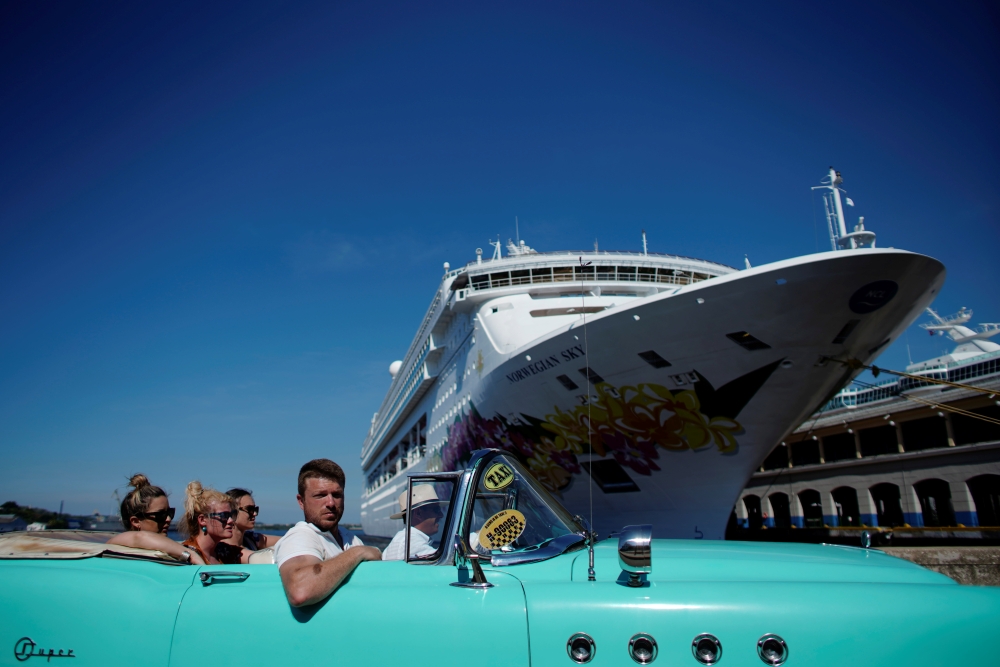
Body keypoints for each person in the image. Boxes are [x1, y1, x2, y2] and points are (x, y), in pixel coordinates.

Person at [274, 459, 381, 607]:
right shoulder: (300, 536)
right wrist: (358, 553)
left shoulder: (349, 538)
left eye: (337, 495)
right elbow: (300, 591)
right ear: (301, 501)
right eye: (320, 495)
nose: (331, 503)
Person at [106, 474, 206, 564]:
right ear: (136, 522)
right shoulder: (117, 545)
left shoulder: (165, 549)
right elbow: (139, 537)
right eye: (160, 515)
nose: (168, 519)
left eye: (169, 513)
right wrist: (190, 555)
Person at [179, 481, 243, 565]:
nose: (231, 520)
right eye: (224, 515)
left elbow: (255, 557)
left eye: (232, 515)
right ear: (202, 520)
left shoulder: (226, 551)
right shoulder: (186, 555)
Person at [382, 485, 446, 561]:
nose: (441, 515)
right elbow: (444, 562)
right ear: (418, 513)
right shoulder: (413, 544)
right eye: (436, 510)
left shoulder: (401, 539)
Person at [223, 488, 280, 555]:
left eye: (255, 509)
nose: (254, 514)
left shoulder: (251, 539)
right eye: (249, 509)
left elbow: (287, 540)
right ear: (232, 512)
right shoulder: (221, 548)